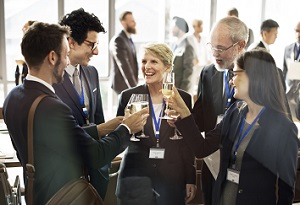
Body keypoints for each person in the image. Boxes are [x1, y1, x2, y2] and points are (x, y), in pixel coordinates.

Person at [2, 22, 149, 205]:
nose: (67, 62)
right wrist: (127, 128)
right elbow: (96, 156)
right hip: (64, 196)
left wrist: (101, 129)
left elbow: (51, 140)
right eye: (65, 55)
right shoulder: (52, 106)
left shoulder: (12, 98)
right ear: (53, 57)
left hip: (36, 194)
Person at [170, 49, 299, 205]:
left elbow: (286, 190)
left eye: (236, 74)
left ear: (254, 76)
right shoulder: (234, 113)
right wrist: (183, 111)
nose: (231, 81)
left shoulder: (284, 128)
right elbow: (202, 148)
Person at [115, 43, 196, 205]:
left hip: (171, 179)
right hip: (134, 178)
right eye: (144, 61)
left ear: (167, 67)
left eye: (154, 62)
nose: (147, 67)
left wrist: (190, 178)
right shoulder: (128, 96)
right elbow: (119, 138)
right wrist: (129, 127)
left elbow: (187, 144)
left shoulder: (183, 98)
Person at [53, 8, 118, 199]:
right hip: (66, 180)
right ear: (71, 43)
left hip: (96, 174)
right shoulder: (50, 78)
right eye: (91, 44)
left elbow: (98, 120)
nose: (96, 51)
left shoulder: (92, 73)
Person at [193, 16, 248, 205]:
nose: (215, 54)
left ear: (241, 45)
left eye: (221, 48)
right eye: (212, 46)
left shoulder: (259, 76)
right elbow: (200, 117)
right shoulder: (208, 73)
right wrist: (179, 116)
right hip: (211, 163)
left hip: (242, 170)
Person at [109, 11, 139, 95]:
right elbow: (124, 66)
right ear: (123, 23)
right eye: (132, 21)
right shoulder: (118, 40)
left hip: (128, 85)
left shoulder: (128, 39)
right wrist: (134, 89)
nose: (134, 23)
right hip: (123, 86)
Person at [171, 16, 195, 93]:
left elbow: (188, 70)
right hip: (173, 87)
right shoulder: (174, 45)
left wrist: (182, 91)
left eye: (174, 26)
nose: (172, 29)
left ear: (180, 29)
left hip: (181, 89)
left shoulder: (188, 46)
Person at [187, 19, 211, 96]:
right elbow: (190, 50)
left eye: (202, 25)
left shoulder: (204, 38)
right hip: (194, 65)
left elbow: (207, 50)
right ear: (195, 27)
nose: (202, 27)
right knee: (191, 84)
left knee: (201, 85)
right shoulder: (189, 38)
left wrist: (208, 60)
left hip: (203, 64)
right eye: (200, 26)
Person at [283, 21, 300, 119]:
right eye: (297, 31)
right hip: (289, 94)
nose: (299, 34)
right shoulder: (288, 48)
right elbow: (284, 71)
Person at [15, 20, 36, 85]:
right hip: (22, 76)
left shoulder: (36, 45)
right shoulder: (24, 44)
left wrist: (23, 62)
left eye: (25, 27)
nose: (22, 30)